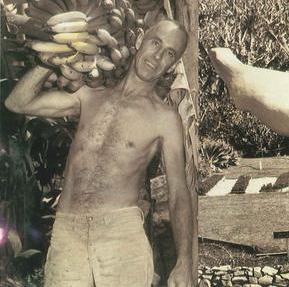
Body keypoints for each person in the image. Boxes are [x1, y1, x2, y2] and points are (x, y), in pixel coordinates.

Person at [5, 19, 193, 287]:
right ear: (140, 40)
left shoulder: (164, 118)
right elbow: (17, 102)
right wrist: (48, 61)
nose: (158, 56)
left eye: (170, 54)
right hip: (67, 232)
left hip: (120, 235)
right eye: (155, 43)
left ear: (172, 66)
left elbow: (178, 193)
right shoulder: (89, 96)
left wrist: (184, 262)